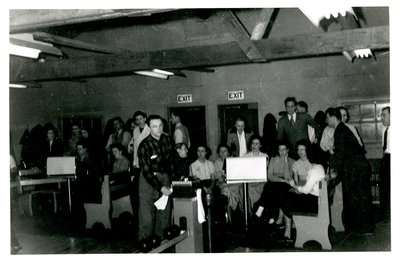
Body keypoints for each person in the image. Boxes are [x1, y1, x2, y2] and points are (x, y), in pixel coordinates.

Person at [326, 107, 373, 234]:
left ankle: (361, 228)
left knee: (357, 198)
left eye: (327, 118)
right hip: (357, 167)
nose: (326, 120)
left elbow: (341, 154)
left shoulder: (339, 130)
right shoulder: (341, 129)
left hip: (355, 169)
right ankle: (362, 228)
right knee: (359, 198)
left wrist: (334, 172)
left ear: (332, 117)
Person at [137, 115, 173, 241]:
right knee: (147, 218)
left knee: (164, 217)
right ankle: (144, 248)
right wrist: (160, 187)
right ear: (149, 128)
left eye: (160, 125)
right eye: (154, 126)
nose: (158, 129)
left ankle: (163, 247)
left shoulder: (167, 140)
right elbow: (146, 171)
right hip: (148, 181)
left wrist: (171, 182)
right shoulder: (144, 145)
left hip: (165, 178)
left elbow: (170, 162)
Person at [281, 163, 326, 239]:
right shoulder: (320, 167)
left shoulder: (314, 170)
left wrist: (294, 185)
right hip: (319, 200)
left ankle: (289, 230)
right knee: (289, 196)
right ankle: (291, 226)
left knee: (284, 199)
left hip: (314, 204)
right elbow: (311, 188)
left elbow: (306, 190)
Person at [254, 140, 295, 225]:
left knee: (271, 188)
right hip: (276, 182)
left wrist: (286, 162)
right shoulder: (273, 160)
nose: (282, 151)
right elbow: (270, 176)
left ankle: (262, 207)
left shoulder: (292, 162)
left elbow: (288, 177)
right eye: (280, 149)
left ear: (288, 150)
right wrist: (282, 180)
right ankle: (272, 215)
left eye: (284, 149)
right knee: (271, 187)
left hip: (285, 185)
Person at [244, 134, 269, 217]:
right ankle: (251, 215)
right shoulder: (246, 156)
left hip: (261, 181)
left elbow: (263, 171)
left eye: (256, 144)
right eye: (252, 143)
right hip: (250, 181)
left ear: (260, 145)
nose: (254, 146)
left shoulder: (264, 156)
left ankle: (259, 213)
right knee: (249, 190)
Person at [380, 106, 390, 221]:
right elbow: (384, 148)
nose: (382, 118)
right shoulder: (384, 129)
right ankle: (385, 215)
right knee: (384, 188)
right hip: (386, 159)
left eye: (384, 115)